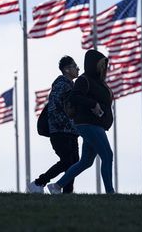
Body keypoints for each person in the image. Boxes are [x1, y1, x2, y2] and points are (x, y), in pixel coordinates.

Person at [48, 49, 115, 194]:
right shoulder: (83, 80)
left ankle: (56, 186)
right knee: (107, 155)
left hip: (95, 125)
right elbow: (74, 97)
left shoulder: (99, 82)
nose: (104, 68)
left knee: (86, 162)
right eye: (102, 65)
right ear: (94, 65)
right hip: (88, 124)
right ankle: (110, 193)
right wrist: (93, 104)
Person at [29, 56, 80, 194]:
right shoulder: (62, 84)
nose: (78, 69)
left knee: (74, 163)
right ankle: (38, 183)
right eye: (75, 66)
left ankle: (67, 193)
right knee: (67, 161)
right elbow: (54, 107)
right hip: (60, 131)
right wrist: (65, 124)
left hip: (71, 131)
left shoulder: (70, 85)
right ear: (67, 69)